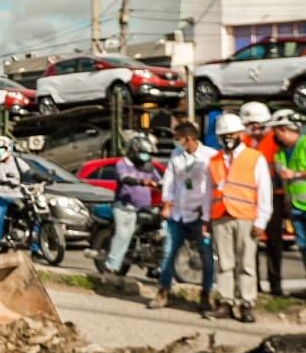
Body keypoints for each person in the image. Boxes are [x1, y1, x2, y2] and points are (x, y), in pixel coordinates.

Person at [208, 112, 272, 322]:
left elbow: (264, 191)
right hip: (221, 217)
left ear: (240, 134)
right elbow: (208, 191)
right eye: (224, 134)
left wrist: (261, 220)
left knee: (246, 263)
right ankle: (226, 301)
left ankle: (247, 303)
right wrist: (205, 218)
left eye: (232, 133)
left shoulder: (255, 158)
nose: (228, 138)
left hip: (246, 218)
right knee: (225, 263)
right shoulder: (214, 160)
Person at [148, 121, 216, 312]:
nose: (176, 143)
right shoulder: (176, 155)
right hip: (178, 214)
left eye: (178, 139)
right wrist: (166, 203)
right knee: (168, 254)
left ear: (189, 139)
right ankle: (163, 291)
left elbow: (213, 186)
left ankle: (206, 295)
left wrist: (208, 212)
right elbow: (169, 180)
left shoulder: (210, 156)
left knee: (206, 257)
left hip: (200, 214)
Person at [239, 101, 284, 295]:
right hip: (250, 197)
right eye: (251, 126)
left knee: (274, 241)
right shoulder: (243, 142)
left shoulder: (276, 141)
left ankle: (276, 286)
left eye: (259, 126)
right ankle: (253, 285)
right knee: (251, 243)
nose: (255, 130)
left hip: (274, 195)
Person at [104, 135, 161, 274]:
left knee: (162, 231)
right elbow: (125, 178)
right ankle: (112, 265)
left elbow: (160, 180)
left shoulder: (149, 166)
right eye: (142, 152)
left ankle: (155, 266)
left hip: (146, 207)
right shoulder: (123, 164)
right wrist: (142, 182)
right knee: (124, 234)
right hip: (125, 207)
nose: (145, 156)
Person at [269, 110, 306, 266]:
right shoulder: (281, 152)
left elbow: (293, 174)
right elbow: (279, 169)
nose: (276, 136)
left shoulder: (304, 144)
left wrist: (295, 174)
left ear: (284, 129)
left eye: (277, 131)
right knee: (303, 247)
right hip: (296, 207)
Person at [0, 135, 30, 253]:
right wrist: (4, 182)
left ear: (8, 148)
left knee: (33, 216)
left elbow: (29, 172)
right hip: (1, 196)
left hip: (18, 195)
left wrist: (43, 178)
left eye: (0, 149)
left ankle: (35, 247)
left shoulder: (17, 161)